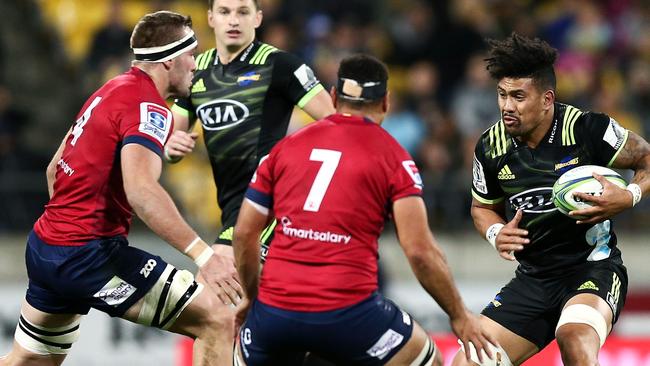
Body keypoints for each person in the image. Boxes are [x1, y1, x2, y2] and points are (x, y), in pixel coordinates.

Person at [0, 11, 240, 366]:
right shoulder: (150, 108)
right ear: (169, 60)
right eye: (191, 54)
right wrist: (205, 256)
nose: (195, 65)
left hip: (48, 246)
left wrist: (71, 231)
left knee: (28, 361)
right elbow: (141, 192)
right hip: (89, 256)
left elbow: (55, 170)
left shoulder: (110, 89)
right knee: (217, 319)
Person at [232, 54, 496, 366]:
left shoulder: (284, 148)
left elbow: (244, 233)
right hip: (348, 314)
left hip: (274, 314)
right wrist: (459, 314)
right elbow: (419, 252)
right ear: (386, 101)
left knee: (242, 355)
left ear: (332, 97)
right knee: (427, 358)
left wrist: (252, 298)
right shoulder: (395, 158)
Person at [452, 33, 650, 366]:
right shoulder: (490, 146)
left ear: (546, 99)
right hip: (533, 279)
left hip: (592, 270)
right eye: (501, 95)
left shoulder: (587, 129)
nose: (507, 106)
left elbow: (647, 159)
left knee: (573, 337)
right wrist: (495, 233)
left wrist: (630, 196)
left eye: (518, 96)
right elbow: (482, 207)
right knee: (467, 362)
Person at [167, 0, 335, 261]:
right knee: (255, 297)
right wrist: (171, 147)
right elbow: (169, 141)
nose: (233, 20)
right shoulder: (196, 70)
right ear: (211, 18)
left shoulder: (281, 65)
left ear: (257, 18)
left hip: (270, 203)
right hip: (234, 206)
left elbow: (335, 123)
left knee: (213, 286)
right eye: (225, 12)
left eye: (242, 12)